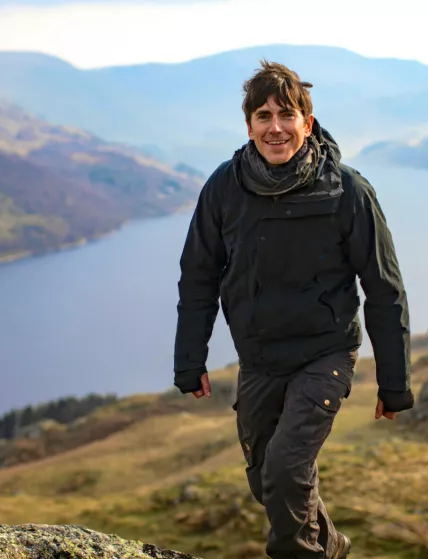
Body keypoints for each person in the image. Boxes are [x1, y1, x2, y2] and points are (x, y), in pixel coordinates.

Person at [172, 59, 413, 559]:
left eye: (286, 115)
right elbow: (198, 274)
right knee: (269, 482)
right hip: (260, 359)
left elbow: (384, 287)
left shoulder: (347, 191)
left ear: (307, 121)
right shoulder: (224, 187)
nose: (275, 127)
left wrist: (394, 382)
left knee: (285, 472)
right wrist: (188, 359)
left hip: (323, 355)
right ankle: (332, 548)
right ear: (249, 126)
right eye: (263, 116)